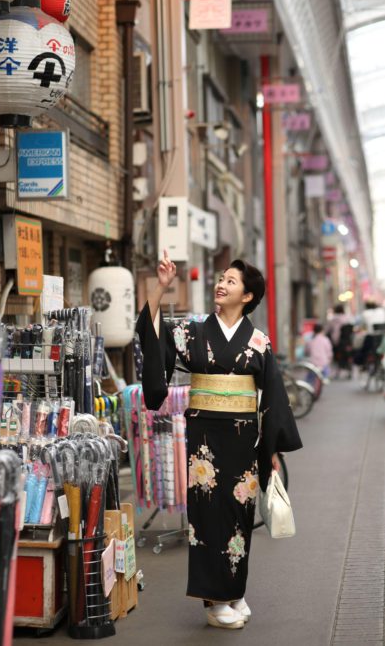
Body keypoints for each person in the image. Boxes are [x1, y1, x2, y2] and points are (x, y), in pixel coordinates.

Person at [136, 250, 302, 630]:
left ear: (247, 296)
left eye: (230, 281)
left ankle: (235, 590)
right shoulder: (193, 330)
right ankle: (213, 602)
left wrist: (272, 447)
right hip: (205, 438)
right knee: (208, 515)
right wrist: (160, 288)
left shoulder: (258, 341)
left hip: (245, 439)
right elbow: (153, 332)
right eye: (221, 278)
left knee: (239, 514)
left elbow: (272, 395)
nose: (221, 284)